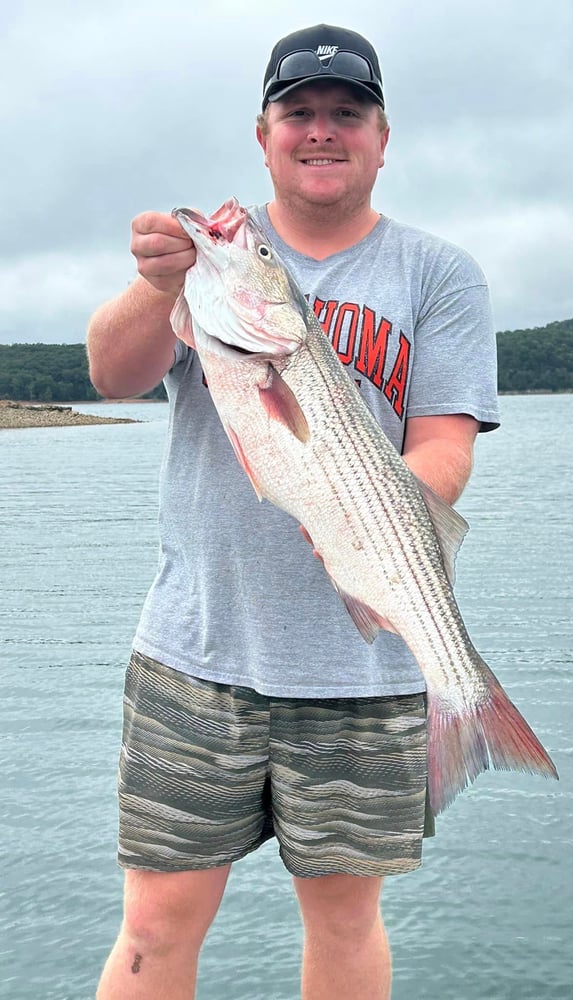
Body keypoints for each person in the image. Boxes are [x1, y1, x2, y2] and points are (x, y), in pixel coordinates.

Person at [87, 23, 500, 1000]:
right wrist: (160, 284)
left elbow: (444, 444)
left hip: (363, 669)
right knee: (152, 922)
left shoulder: (439, 274)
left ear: (382, 138)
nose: (322, 131)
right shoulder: (210, 270)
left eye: (345, 114)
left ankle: (469, 708)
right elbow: (110, 374)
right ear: (265, 135)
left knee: (347, 922)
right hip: (197, 654)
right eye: (298, 113)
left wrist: (370, 521)